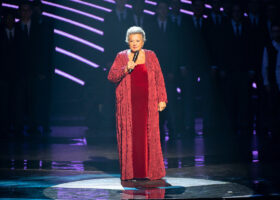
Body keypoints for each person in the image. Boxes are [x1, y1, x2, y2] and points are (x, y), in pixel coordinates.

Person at [107, 26, 167, 180]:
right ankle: (131, 172)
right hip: (128, 105)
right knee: (131, 137)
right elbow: (111, 76)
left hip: (147, 104)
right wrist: (125, 68)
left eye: (138, 40)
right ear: (127, 41)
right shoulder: (121, 56)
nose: (134, 43)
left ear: (143, 41)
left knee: (148, 136)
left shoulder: (151, 55)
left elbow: (159, 78)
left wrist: (162, 98)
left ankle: (150, 172)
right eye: (132, 40)